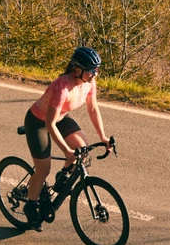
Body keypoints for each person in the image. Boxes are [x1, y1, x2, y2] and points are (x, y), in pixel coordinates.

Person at [23, 46, 111, 230]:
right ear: (77, 69)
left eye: (96, 70)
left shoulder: (89, 83)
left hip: (61, 117)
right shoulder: (61, 87)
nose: (94, 74)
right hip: (39, 122)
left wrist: (102, 136)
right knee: (43, 170)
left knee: (83, 150)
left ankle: (63, 176)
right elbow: (49, 124)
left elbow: (93, 109)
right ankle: (31, 206)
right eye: (91, 70)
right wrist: (66, 151)